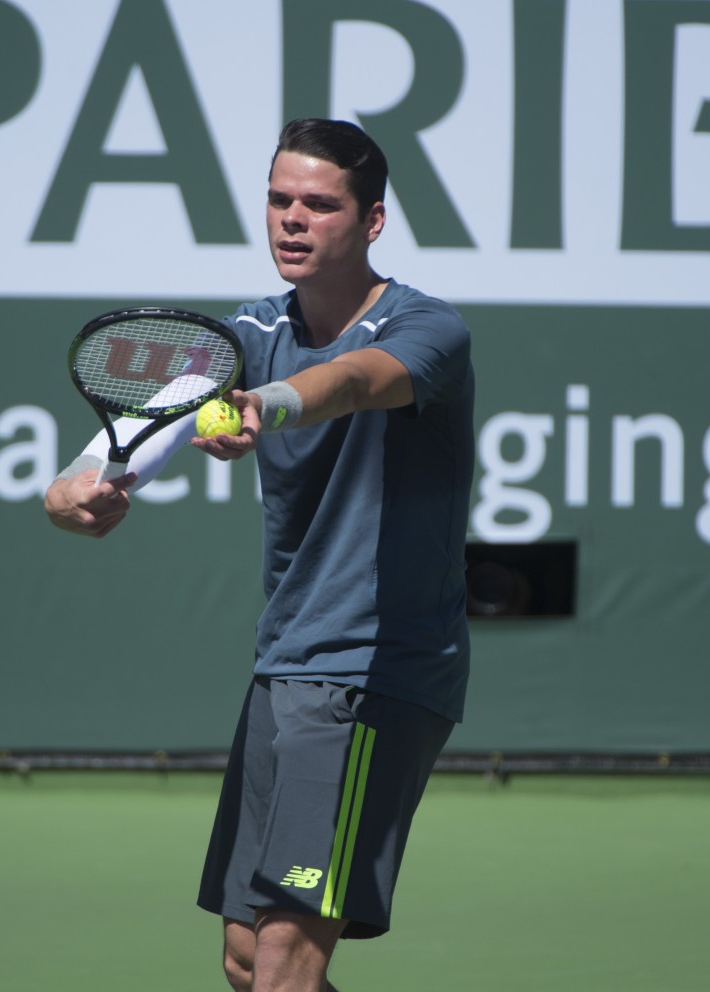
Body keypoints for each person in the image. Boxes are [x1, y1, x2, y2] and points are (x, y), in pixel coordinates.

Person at [45, 118, 475, 992]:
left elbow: (355, 380)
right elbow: (136, 436)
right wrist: (74, 485)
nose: (291, 219)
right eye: (280, 199)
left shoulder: (427, 326)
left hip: (375, 669)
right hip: (283, 666)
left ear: (372, 222)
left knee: (285, 953)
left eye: (319, 205)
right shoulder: (243, 332)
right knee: (248, 961)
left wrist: (266, 406)